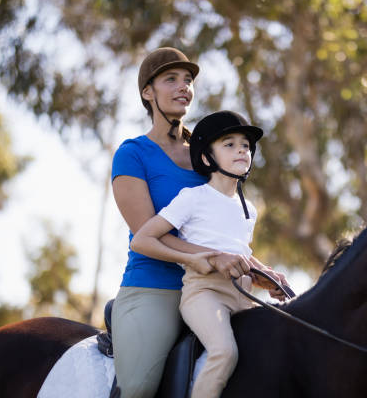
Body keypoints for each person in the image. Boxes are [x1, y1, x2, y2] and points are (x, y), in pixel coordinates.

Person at [111, 48, 285, 398]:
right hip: (155, 285)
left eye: (188, 80)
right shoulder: (133, 154)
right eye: (171, 79)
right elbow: (146, 232)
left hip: (226, 288)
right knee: (139, 387)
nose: (183, 87)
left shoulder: (210, 150)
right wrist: (211, 257)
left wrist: (259, 271)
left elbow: (225, 229)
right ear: (148, 92)